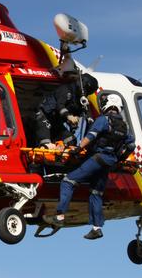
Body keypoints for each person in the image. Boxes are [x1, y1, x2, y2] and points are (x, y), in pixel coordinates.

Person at [42, 94, 135, 239]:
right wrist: (119, 158)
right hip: (109, 162)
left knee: (68, 181)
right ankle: (96, 228)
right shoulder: (125, 126)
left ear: (108, 105)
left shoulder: (104, 120)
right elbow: (131, 145)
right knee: (96, 193)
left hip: (97, 159)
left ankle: (59, 216)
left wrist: (78, 148)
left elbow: (91, 136)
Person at [34, 71, 99, 148]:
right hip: (44, 117)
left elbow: (85, 114)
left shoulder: (79, 100)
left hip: (56, 122)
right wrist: (69, 116)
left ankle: (61, 151)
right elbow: (60, 106)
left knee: (71, 140)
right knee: (46, 143)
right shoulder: (65, 89)